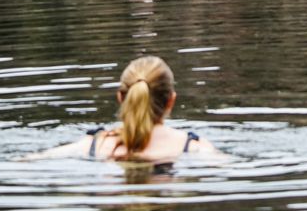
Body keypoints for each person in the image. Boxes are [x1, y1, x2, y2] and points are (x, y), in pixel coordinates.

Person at [37, 55, 224, 163]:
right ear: (171, 101)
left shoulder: (92, 145)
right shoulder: (193, 147)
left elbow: (31, 161)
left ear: (121, 98)